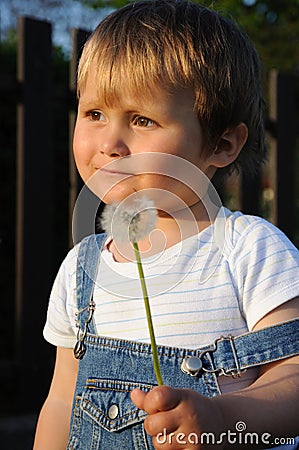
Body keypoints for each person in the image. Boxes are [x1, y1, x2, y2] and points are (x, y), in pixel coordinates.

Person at [33, 1, 299, 449]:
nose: (110, 143)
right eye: (94, 113)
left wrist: (223, 417)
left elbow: (293, 380)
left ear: (222, 143)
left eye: (141, 120)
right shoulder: (83, 268)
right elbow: (62, 400)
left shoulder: (249, 249)